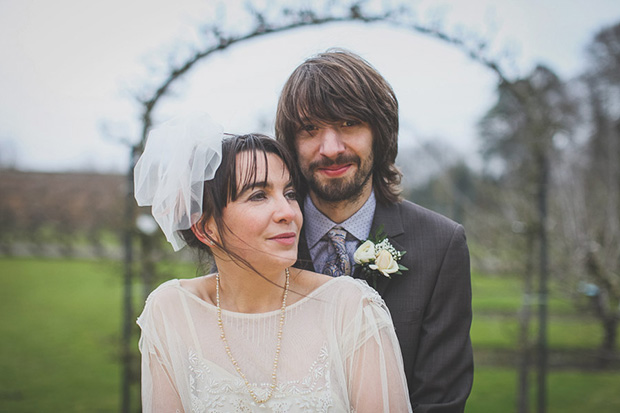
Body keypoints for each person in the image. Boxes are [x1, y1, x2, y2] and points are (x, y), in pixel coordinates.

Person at [133, 113, 412, 412]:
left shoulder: (351, 307)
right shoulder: (171, 311)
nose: (287, 212)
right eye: (258, 196)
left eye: (289, 193)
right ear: (205, 228)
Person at [275, 49, 473, 412]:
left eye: (349, 123)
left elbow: (440, 401)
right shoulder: (255, 240)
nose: (330, 148)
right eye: (310, 129)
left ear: (379, 133)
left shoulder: (442, 244)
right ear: (290, 144)